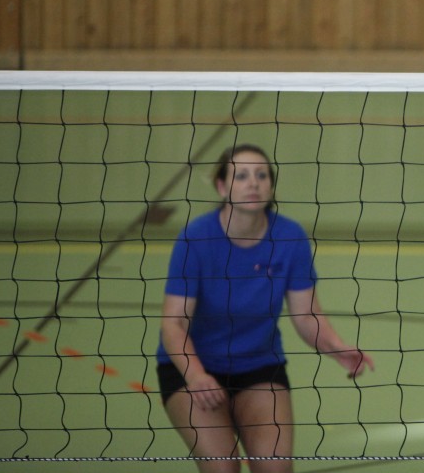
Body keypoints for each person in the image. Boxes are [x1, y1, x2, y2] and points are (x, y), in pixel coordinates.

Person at [156, 143, 374, 473]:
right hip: (191, 368)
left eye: (261, 175)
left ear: (271, 186)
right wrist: (196, 375)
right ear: (222, 187)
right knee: (223, 467)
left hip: (258, 366)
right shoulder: (195, 239)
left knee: (275, 468)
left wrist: (336, 347)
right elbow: (173, 325)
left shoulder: (289, 237)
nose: (253, 183)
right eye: (241, 176)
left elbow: (306, 315)